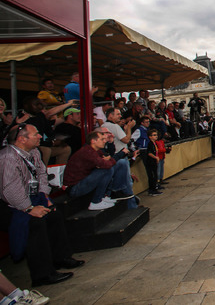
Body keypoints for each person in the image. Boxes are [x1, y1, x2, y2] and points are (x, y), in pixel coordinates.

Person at [0, 124, 84, 287]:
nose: (40, 136)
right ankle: (42, 275)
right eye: (36, 134)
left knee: (54, 214)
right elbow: (9, 190)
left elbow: (41, 174)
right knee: (35, 223)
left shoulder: (34, 152)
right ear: (21, 139)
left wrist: (44, 195)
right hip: (7, 205)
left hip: (31, 198)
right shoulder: (7, 158)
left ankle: (61, 258)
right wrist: (29, 209)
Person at [63, 130, 134, 211]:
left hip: (83, 183)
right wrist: (120, 154)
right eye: (102, 139)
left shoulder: (94, 150)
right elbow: (107, 164)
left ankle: (107, 195)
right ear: (93, 141)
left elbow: (109, 158)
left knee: (120, 163)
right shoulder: (88, 152)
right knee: (107, 169)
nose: (104, 141)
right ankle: (96, 202)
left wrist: (111, 144)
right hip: (75, 189)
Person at [20, 97, 73, 166]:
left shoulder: (40, 116)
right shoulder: (21, 117)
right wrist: (50, 143)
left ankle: (60, 173)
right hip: (30, 147)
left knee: (66, 149)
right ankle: (41, 173)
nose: (39, 106)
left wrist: (56, 139)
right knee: (46, 151)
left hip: (43, 144)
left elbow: (48, 131)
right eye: (36, 104)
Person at [145, 129, 162, 196]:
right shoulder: (150, 144)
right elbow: (149, 153)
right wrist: (155, 157)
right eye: (154, 135)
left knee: (155, 175)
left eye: (156, 135)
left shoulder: (154, 143)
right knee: (152, 176)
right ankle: (152, 190)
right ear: (150, 136)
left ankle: (155, 188)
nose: (156, 136)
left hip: (154, 161)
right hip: (151, 162)